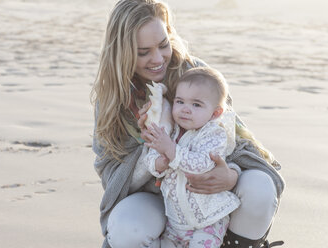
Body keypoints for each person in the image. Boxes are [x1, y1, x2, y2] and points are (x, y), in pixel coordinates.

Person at [90, 0, 285, 247]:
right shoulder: (112, 101)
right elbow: (112, 179)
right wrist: (152, 145)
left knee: (260, 187)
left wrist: (232, 175)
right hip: (154, 198)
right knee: (128, 229)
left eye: (163, 45)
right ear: (122, 52)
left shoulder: (197, 76)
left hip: (207, 194)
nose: (158, 58)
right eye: (143, 52)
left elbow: (233, 141)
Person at [143, 67, 240, 248]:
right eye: (180, 102)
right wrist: (160, 163)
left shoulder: (214, 134)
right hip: (174, 221)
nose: (185, 109)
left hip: (208, 220)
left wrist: (171, 151)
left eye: (196, 104)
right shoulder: (170, 131)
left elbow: (201, 164)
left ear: (215, 113)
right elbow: (150, 158)